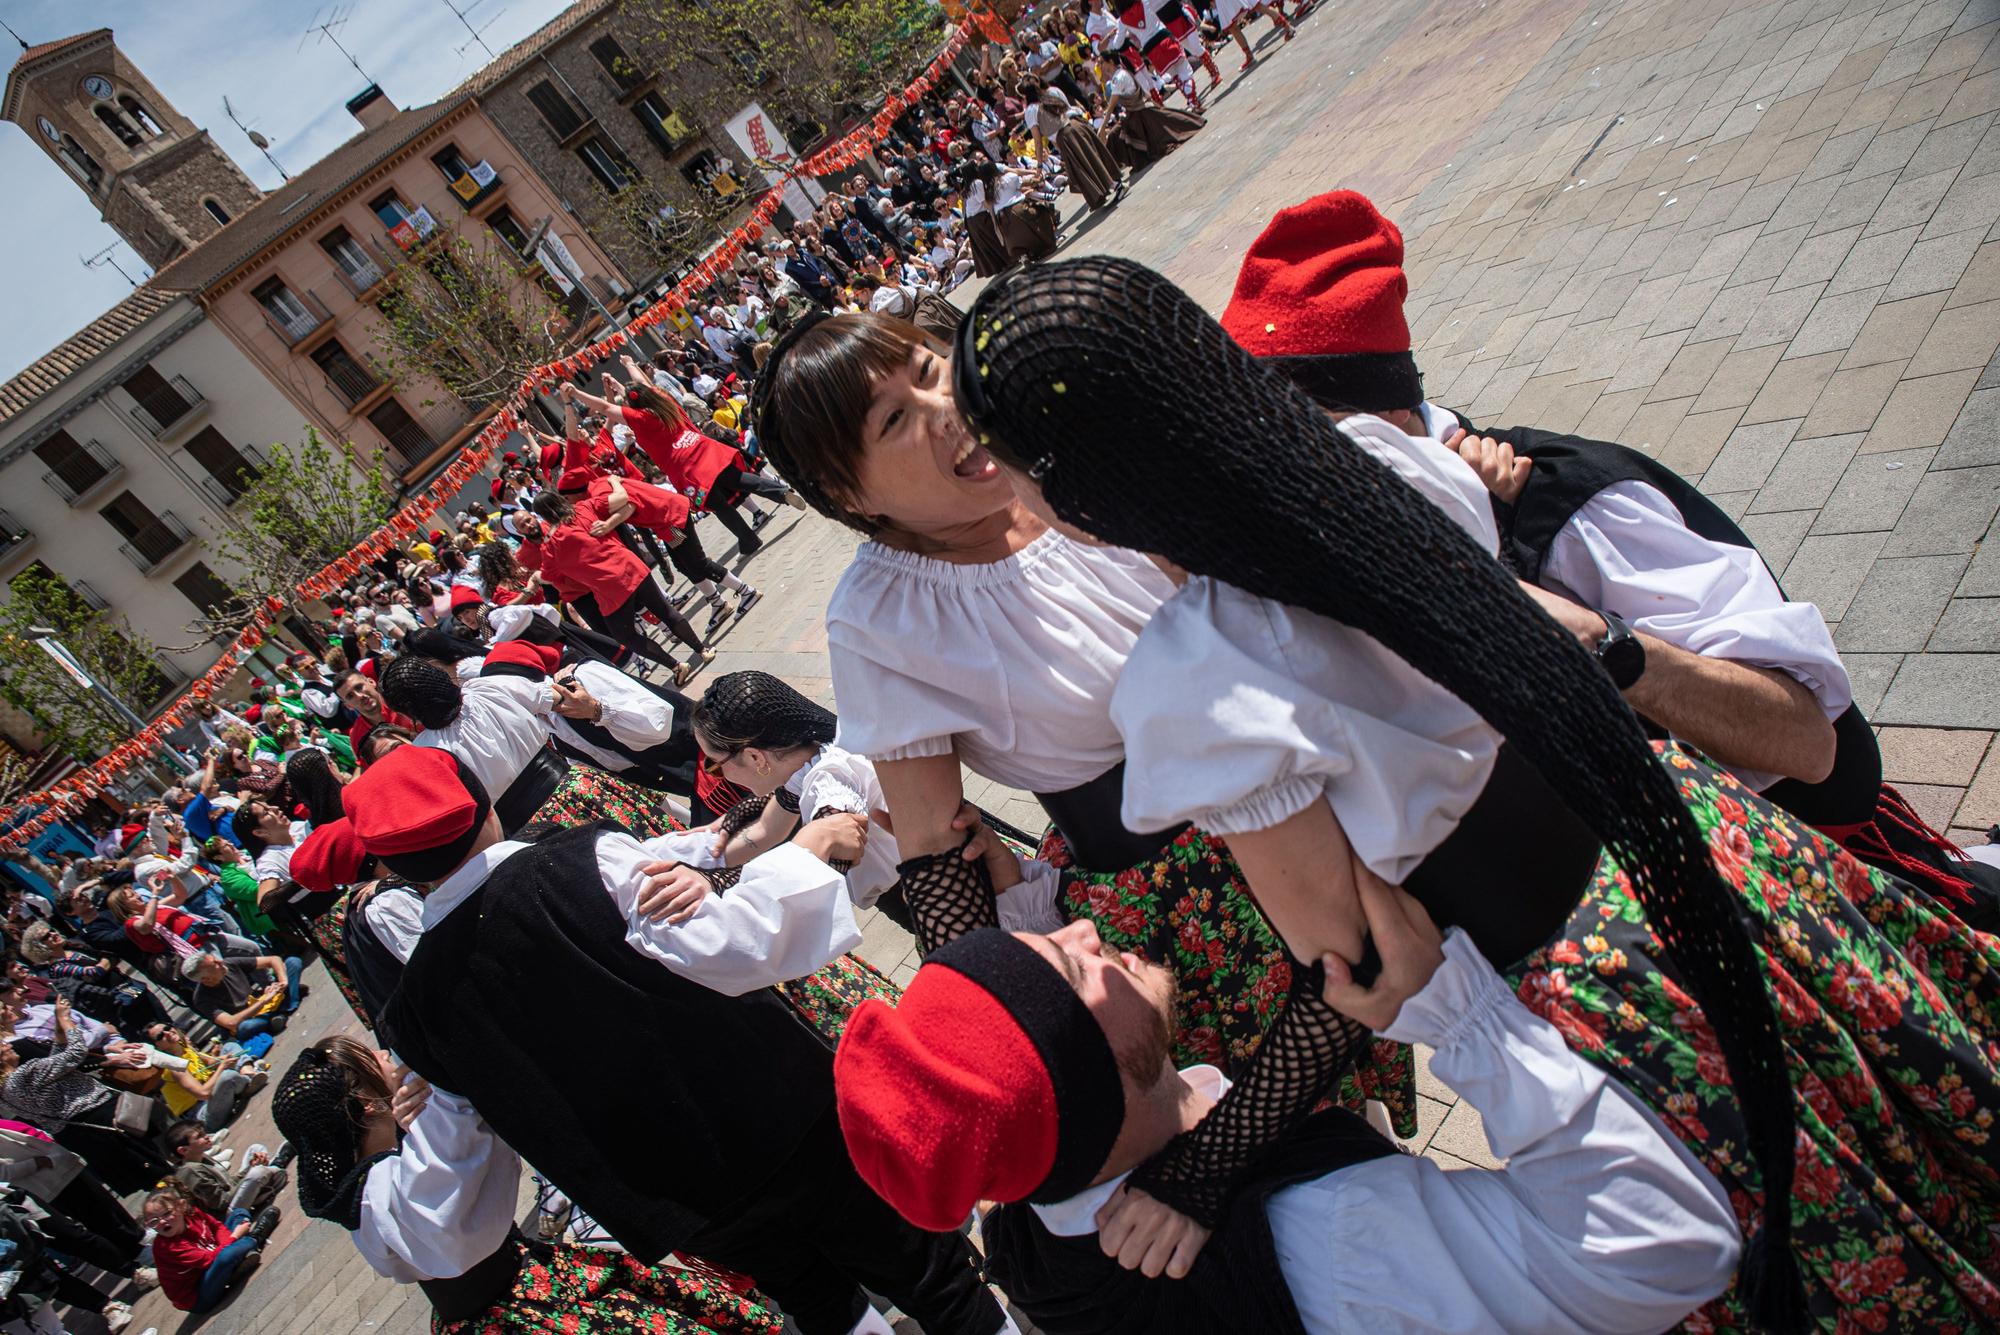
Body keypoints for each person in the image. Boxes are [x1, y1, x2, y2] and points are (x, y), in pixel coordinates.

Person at [945, 254, 2000, 1328]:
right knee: (1920, 1087)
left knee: (1841, 1237)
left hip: (1606, 987)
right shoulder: (1382, 465)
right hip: (1709, 846)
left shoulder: (1197, 676)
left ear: (1077, 485)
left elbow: (1359, 960)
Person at [1225, 188, 2000, 931]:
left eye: (1305, 455)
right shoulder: (1358, 547)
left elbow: (1809, 741)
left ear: (1393, 427)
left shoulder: (1571, 511)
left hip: (1831, 892)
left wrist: (1599, 640)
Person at [749, 310, 1415, 1134]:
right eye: (893, 420)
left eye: (928, 369)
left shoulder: (1067, 450)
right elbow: (933, 848)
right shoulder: (884, 617)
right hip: (1202, 911)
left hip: (1351, 781)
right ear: (849, 495)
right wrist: (998, 1038)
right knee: (1328, 1139)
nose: (943, 405)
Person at [837, 880, 1743, 1333]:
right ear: (1092, 1076)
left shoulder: (1033, 1229)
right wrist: (1462, 1014)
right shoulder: (1331, 1234)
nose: (1087, 926)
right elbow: (1668, 1250)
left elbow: (1034, 1089)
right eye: (1077, 965)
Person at [345, 744, 1019, 1335]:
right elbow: (736, 942)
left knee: (817, 1300)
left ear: (391, 867)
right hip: (786, 1121)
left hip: (679, 1202)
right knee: (928, 1270)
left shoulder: (416, 1017)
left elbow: (455, 1207)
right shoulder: (579, 859)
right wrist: (807, 852)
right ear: (482, 804)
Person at [271, 1036, 786, 1334]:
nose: (387, 1060)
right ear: (368, 1106)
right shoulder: (401, 1189)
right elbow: (464, 1135)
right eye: (375, 1065)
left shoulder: (372, 1187)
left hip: (515, 1293)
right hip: (526, 1309)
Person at [379, 632, 680, 837]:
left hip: (537, 830)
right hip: (581, 786)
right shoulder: (487, 689)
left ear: (408, 713)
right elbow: (558, 698)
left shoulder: (424, 754)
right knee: (654, 834)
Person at [141, 1181, 274, 1315]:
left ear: (181, 1206)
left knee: (238, 1213)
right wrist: (235, 1236)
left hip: (214, 1254)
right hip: (199, 1295)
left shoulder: (192, 1214)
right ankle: (256, 1237)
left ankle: (237, 1261)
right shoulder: (167, 1247)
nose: (162, 1222)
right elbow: (210, 1259)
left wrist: (230, 1239)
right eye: (154, 1221)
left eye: (166, 1214)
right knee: (226, 1257)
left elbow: (217, 1227)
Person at [147, 1021, 262, 1132]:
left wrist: (225, 1058)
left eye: (167, 1028)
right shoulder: (173, 1067)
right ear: (157, 1046)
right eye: (160, 1036)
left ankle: (249, 1074)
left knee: (230, 1046)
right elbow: (203, 1094)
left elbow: (211, 1062)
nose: (167, 1033)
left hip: (212, 1097)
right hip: (203, 1116)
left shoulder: (184, 1048)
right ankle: (247, 1081)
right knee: (228, 1076)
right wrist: (222, 1067)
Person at [162, 1120, 286, 1222]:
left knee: (255, 1149)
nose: (206, 1137)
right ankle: (274, 1169)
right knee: (257, 1174)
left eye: (204, 1133)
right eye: (199, 1137)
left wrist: (250, 1166)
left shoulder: (201, 1157)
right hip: (227, 1215)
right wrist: (252, 1172)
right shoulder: (190, 1171)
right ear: (183, 1150)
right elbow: (222, 1202)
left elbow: (230, 1183)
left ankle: (270, 1176)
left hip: (233, 1197)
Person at [182, 950, 301, 1042]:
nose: (220, 962)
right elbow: (230, 1022)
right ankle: (285, 1007)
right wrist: (264, 1001)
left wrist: (282, 981)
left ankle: (279, 1014)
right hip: (251, 1017)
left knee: (292, 962)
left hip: (265, 1002)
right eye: (215, 964)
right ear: (205, 979)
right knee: (246, 1027)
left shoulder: (229, 964)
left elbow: (273, 959)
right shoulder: (201, 998)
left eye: (216, 959)